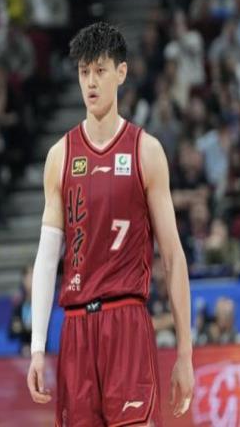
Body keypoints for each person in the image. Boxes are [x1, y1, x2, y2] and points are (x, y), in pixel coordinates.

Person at [26, 22, 194, 426]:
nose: (91, 81)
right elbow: (46, 259)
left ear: (121, 72)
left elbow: (173, 257)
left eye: (100, 70)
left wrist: (185, 354)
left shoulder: (146, 151)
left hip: (127, 321)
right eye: (84, 72)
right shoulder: (60, 156)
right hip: (77, 328)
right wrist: (36, 348)